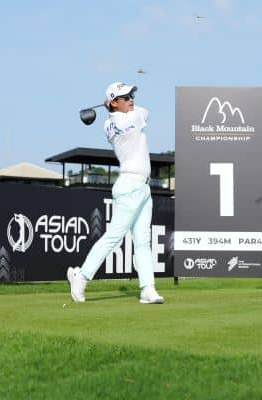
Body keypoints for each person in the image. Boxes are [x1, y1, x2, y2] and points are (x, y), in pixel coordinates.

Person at [66, 82, 164, 304]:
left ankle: (147, 289)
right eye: (125, 97)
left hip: (142, 187)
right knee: (114, 237)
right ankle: (80, 277)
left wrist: (110, 108)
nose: (131, 99)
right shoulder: (133, 118)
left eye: (131, 95)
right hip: (130, 185)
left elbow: (127, 112)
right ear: (114, 102)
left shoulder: (109, 123)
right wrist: (111, 107)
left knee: (142, 240)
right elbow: (145, 112)